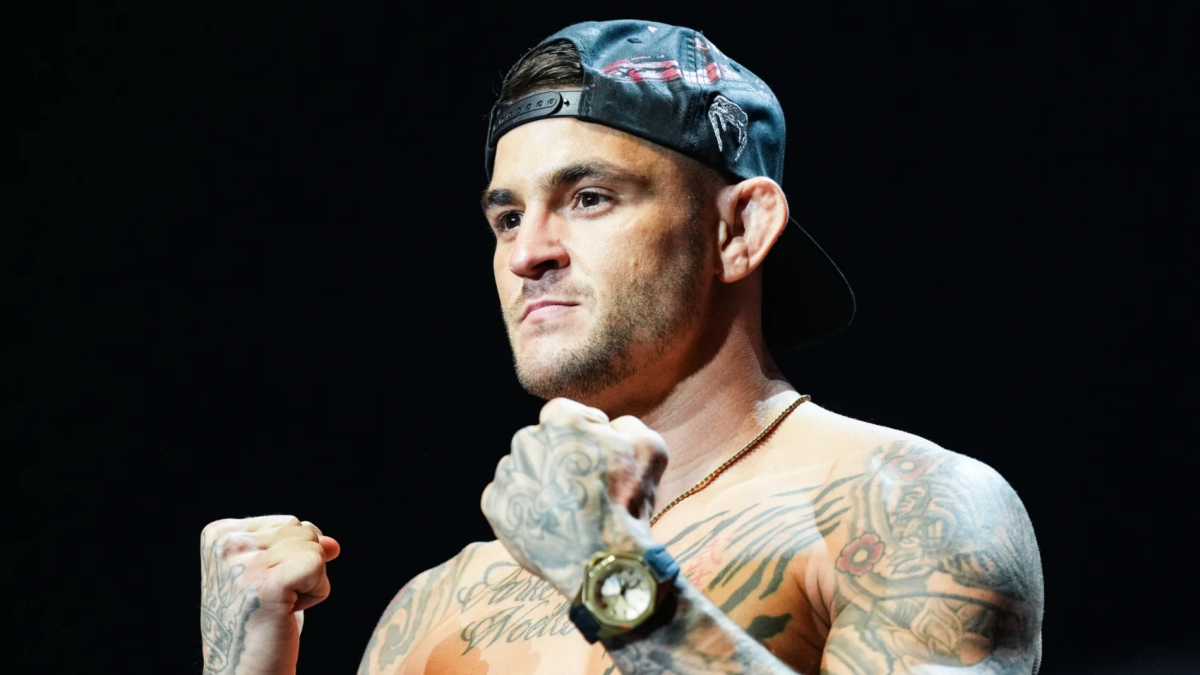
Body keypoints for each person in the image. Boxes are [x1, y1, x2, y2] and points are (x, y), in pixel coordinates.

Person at [199, 20, 1044, 675]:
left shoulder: (902, 507)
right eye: (507, 217)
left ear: (739, 229)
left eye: (590, 197)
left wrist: (606, 571)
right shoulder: (438, 602)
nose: (528, 252)